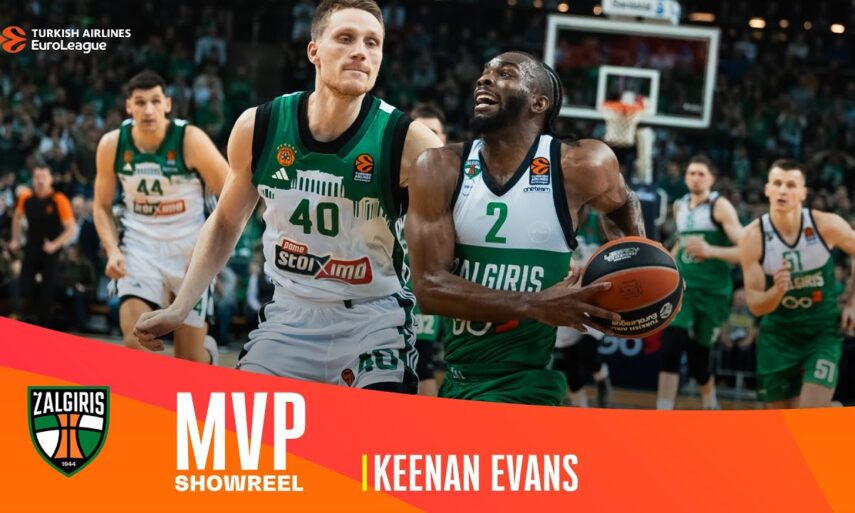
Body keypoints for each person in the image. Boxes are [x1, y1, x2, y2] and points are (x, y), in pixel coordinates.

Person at [134, 0, 442, 393]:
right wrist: (181, 306)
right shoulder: (260, 126)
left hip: (373, 321)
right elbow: (226, 222)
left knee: (370, 430)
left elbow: (454, 233)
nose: (360, 51)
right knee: (242, 427)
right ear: (314, 51)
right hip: (289, 317)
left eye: (372, 42)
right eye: (345, 38)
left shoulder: (411, 142)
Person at [405, 51, 645, 405]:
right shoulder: (440, 167)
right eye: (484, 72)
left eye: (505, 73)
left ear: (539, 103)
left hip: (531, 381)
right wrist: (534, 304)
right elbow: (428, 290)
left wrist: (637, 258)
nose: (484, 79)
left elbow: (622, 203)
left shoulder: (581, 165)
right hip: (458, 380)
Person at [93, 70, 228, 363]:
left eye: (155, 101)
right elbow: (101, 206)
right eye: (140, 102)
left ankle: (207, 353)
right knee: (135, 341)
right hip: (140, 248)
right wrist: (112, 250)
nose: (148, 109)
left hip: (189, 249)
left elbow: (232, 194)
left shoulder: (190, 139)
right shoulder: (112, 145)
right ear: (128, 106)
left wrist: (210, 249)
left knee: (189, 360)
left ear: (167, 104)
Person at [738, 159, 855, 408]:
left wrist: (853, 303)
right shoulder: (752, 237)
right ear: (767, 189)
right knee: (785, 424)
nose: (783, 190)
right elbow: (755, 305)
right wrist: (777, 291)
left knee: (807, 417)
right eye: (777, 183)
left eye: (791, 185)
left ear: (803, 192)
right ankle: (834, 413)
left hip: (821, 332)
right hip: (778, 336)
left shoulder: (826, 225)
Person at [656, 155, 744, 410]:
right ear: (685, 177)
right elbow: (682, 243)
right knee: (672, 346)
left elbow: (745, 250)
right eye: (691, 173)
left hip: (714, 292)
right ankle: (662, 411)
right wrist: (664, 263)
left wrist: (711, 251)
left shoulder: (720, 206)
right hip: (684, 288)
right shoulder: (680, 206)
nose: (695, 178)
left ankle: (709, 398)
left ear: (711, 179)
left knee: (698, 360)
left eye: (701, 174)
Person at [408, 103, 447, 396]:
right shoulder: (385, 174)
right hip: (381, 290)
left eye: (433, 132)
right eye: (420, 131)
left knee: (421, 364)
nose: (427, 138)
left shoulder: (456, 184)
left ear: (443, 138)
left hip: (427, 289)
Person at [10, 166, 77, 327]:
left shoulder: (59, 199)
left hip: (50, 252)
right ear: (33, 179)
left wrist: (55, 245)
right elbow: (17, 217)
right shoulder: (26, 197)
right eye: (37, 177)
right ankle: (29, 319)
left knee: (47, 293)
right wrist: (15, 239)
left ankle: (43, 325)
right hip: (31, 248)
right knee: (24, 288)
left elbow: (71, 229)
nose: (40, 180)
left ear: (51, 179)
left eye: (44, 176)